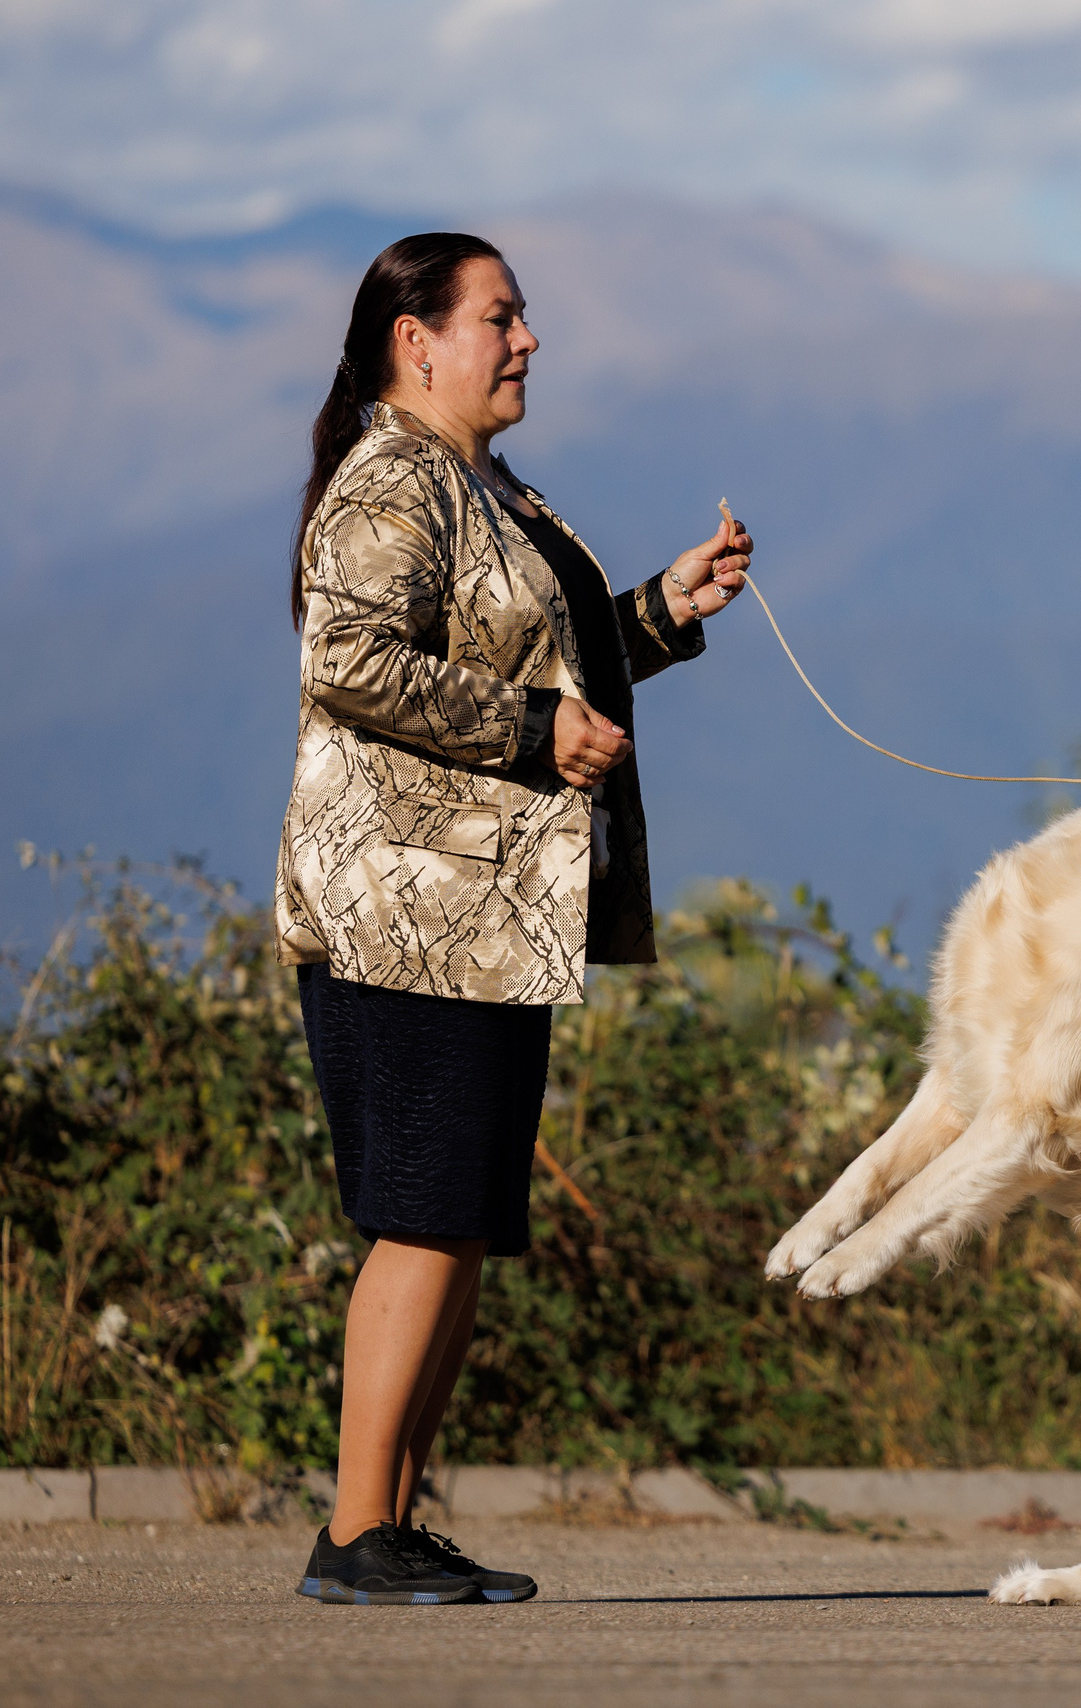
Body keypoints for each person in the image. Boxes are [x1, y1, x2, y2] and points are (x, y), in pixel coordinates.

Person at [274, 232, 750, 1605]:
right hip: (404, 916)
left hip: (486, 923)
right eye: (502, 316)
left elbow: (549, 655)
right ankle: (358, 1532)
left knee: (461, 1221)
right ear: (416, 340)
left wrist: (662, 609)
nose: (528, 339)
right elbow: (350, 659)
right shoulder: (392, 482)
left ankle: (395, 1525)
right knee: (422, 1218)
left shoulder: (478, 487)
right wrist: (535, 733)